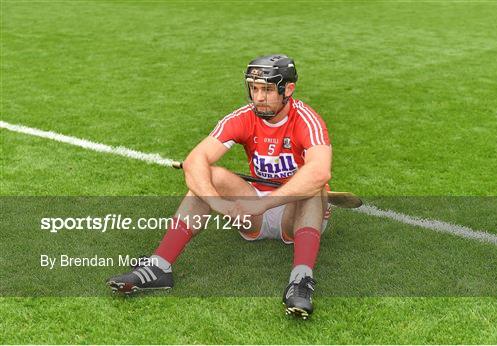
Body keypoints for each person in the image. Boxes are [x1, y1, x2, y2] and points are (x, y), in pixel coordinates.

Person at [107, 54, 332, 319]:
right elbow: (195, 160)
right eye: (254, 88)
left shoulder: (306, 119)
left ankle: (300, 281)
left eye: (268, 89)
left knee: (314, 187)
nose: (259, 97)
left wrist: (263, 204)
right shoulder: (243, 117)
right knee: (208, 175)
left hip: (292, 214)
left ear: (288, 90)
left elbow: (319, 170)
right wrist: (217, 203)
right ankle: (159, 267)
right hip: (253, 211)